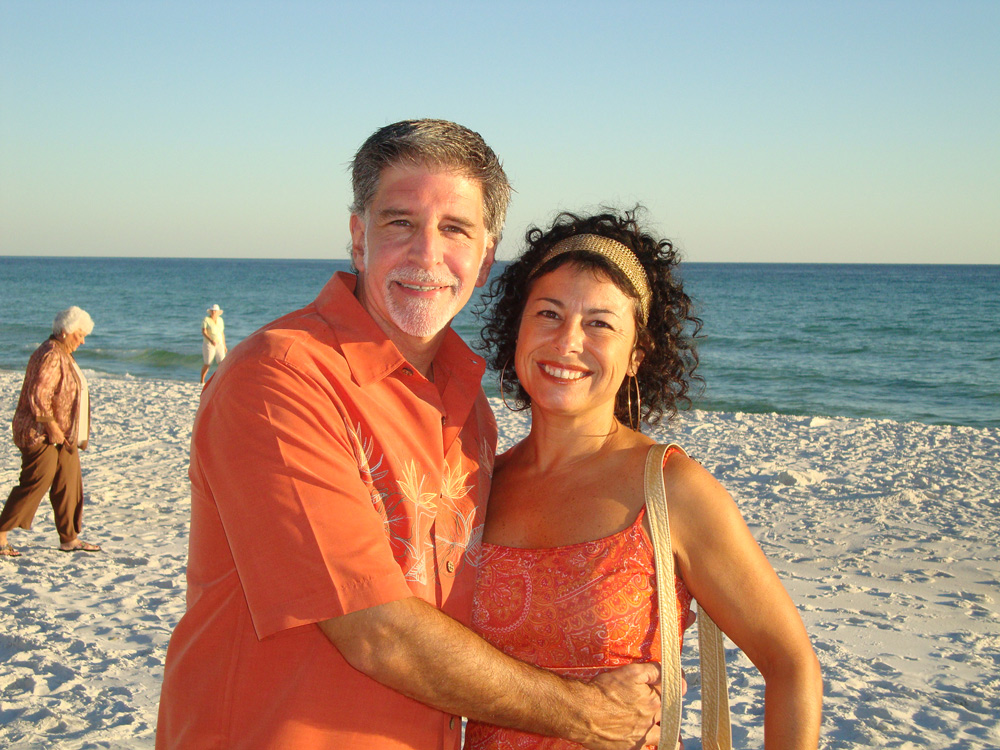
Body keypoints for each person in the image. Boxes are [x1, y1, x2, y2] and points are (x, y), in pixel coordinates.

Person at [156, 120, 665, 750]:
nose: (427, 254)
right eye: (399, 222)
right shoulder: (281, 378)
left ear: (485, 255)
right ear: (357, 238)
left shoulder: (469, 407)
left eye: (455, 229)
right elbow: (374, 628)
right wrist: (582, 712)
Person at [467, 210, 823, 749]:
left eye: (600, 324)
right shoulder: (476, 482)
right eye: (548, 313)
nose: (567, 341)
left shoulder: (670, 489)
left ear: (636, 355)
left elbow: (790, 663)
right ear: (517, 330)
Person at [0, 306, 101, 557]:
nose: (83, 340)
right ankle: (0, 533)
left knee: (69, 482)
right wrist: (51, 426)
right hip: (40, 432)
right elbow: (38, 394)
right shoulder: (51, 354)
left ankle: (69, 539)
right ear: (66, 332)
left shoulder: (61, 351)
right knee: (36, 482)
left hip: (61, 434)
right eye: (80, 334)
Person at [199, 303, 226, 384]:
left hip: (219, 343)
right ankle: (202, 380)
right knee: (207, 363)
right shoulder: (206, 319)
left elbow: (222, 333)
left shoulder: (220, 320)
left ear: (218, 312)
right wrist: (211, 340)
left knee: (221, 362)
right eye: (213, 311)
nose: (214, 312)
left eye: (215, 311)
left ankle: (220, 379)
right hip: (209, 344)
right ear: (210, 311)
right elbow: (204, 332)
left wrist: (224, 345)